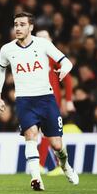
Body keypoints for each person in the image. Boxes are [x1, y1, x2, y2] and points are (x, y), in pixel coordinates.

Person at [0, 12, 79, 191]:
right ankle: (36, 178)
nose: (18, 28)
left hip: (46, 100)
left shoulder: (43, 44)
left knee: (56, 144)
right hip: (24, 100)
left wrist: (64, 69)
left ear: (31, 27)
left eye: (22, 24)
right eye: (16, 24)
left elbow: (67, 62)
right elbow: (1, 70)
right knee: (30, 135)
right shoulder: (7, 49)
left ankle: (65, 166)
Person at [36, 30, 75, 176]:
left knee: (49, 133)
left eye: (45, 37)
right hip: (37, 99)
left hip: (51, 99)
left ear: (50, 39)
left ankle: (46, 164)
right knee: (47, 133)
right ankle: (58, 165)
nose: (43, 40)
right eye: (39, 37)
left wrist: (69, 100)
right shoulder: (33, 57)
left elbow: (67, 78)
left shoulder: (53, 56)